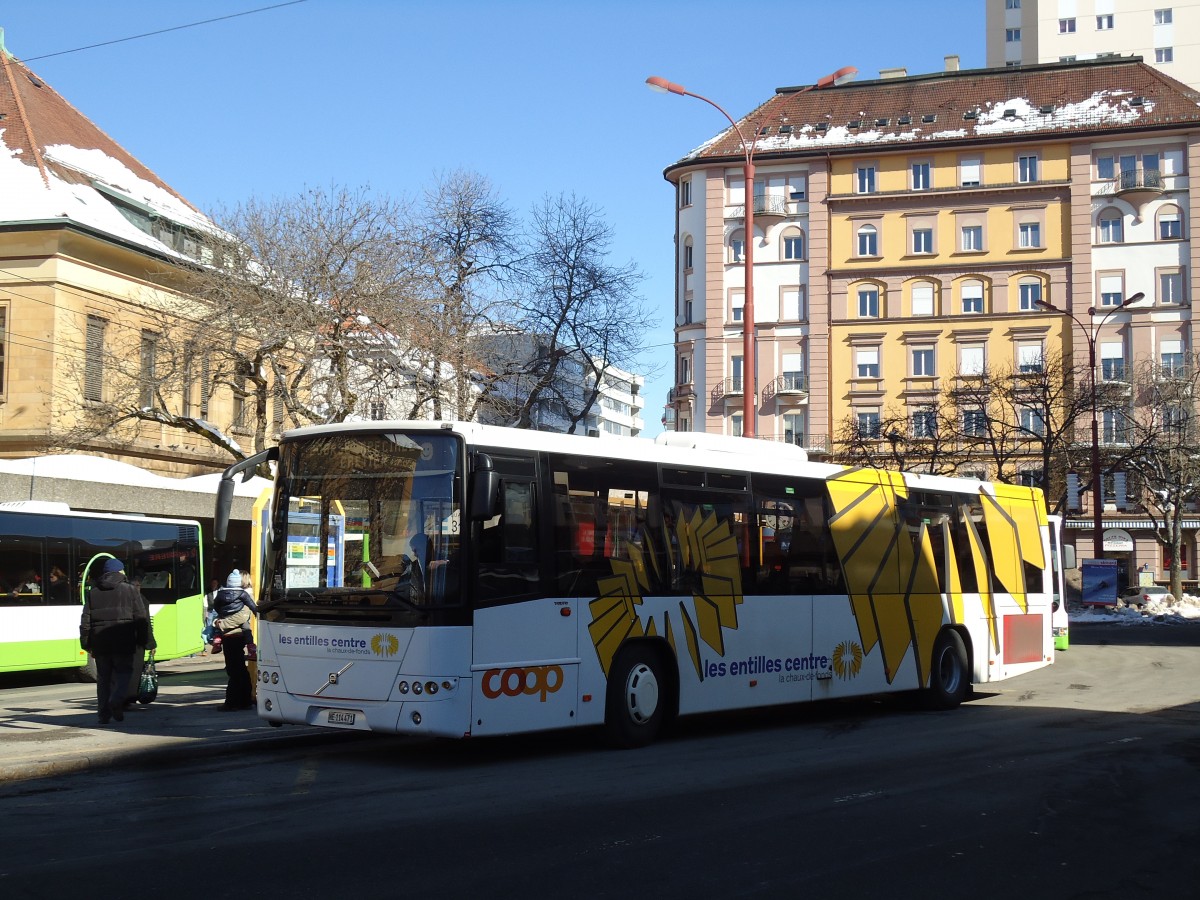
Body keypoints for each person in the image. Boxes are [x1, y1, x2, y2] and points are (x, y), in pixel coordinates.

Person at [79, 558, 150, 725]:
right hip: (124, 641)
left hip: (101, 643)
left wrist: (86, 644)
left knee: (103, 679)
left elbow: (85, 622)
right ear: (121, 571)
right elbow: (141, 619)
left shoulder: (93, 592)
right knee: (124, 673)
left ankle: (103, 715)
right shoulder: (130, 590)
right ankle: (117, 699)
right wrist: (142, 640)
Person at [212, 569, 260, 710]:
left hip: (233, 635)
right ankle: (244, 700)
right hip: (235, 634)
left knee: (234, 670)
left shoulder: (244, 595)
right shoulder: (241, 595)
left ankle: (233, 702)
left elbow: (240, 617)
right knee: (239, 669)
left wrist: (220, 624)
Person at [202, 577, 220, 651]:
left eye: (215, 583)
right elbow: (205, 601)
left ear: (217, 584)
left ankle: (215, 639)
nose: (213, 584)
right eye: (212, 583)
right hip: (210, 610)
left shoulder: (220, 591)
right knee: (209, 625)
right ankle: (208, 639)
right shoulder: (208, 591)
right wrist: (206, 612)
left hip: (218, 610)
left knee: (217, 625)